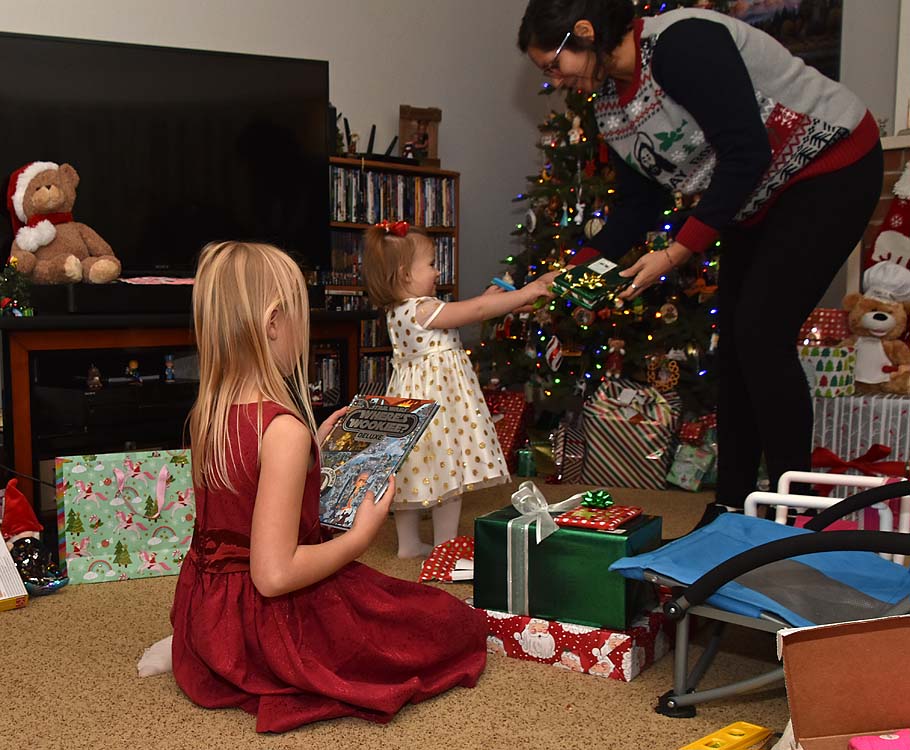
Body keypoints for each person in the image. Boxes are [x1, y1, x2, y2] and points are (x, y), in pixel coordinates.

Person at [518, 1, 884, 523]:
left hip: (830, 168)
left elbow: (745, 151)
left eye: (554, 65)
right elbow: (639, 204)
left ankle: (803, 517)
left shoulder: (681, 45)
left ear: (585, 32)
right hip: (755, 199)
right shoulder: (609, 107)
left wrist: (676, 251)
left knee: (760, 333)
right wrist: (573, 268)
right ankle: (731, 507)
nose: (555, 80)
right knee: (735, 345)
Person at [165, 240, 488, 732]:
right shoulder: (282, 431)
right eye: (299, 313)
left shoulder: (207, 414)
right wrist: (360, 537)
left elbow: (245, 499)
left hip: (209, 616)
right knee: (451, 624)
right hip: (268, 623)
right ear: (274, 323)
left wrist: (314, 447)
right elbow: (273, 576)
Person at [363, 220, 558, 558]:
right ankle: (445, 545)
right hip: (438, 406)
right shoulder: (423, 309)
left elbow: (470, 310)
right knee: (448, 472)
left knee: (412, 472)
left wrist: (503, 302)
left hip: (412, 405)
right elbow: (475, 311)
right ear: (405, 274)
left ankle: (409, 544)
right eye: (431, 264)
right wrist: (524, 293)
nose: (437, 272)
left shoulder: (399, 311)